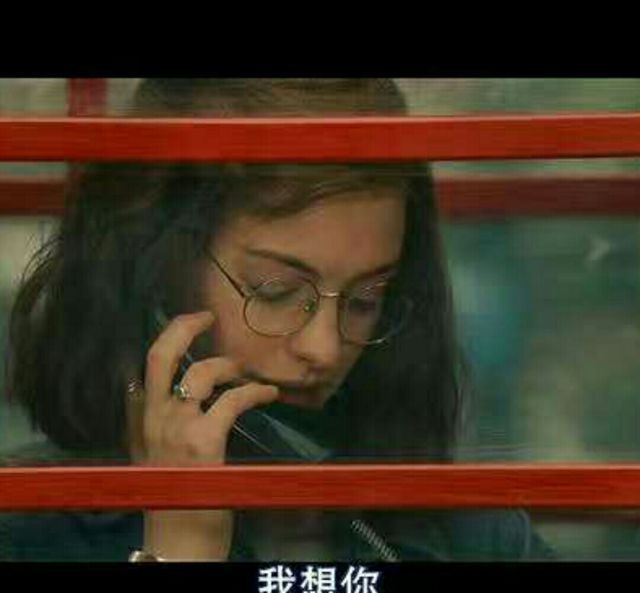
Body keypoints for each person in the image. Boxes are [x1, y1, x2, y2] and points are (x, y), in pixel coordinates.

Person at [1, 78, 554, 561]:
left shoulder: (473, 535)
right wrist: (178, 548)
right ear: (156, 275)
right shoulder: (28, 532)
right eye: (276, 292)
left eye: (365, 300)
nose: (325, 349)